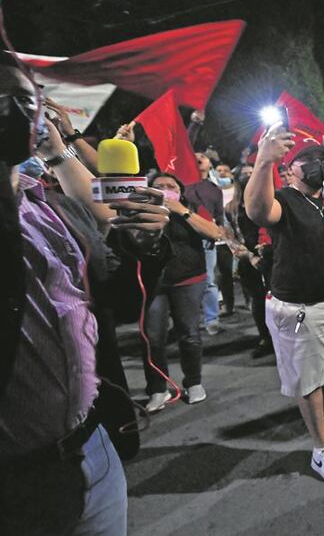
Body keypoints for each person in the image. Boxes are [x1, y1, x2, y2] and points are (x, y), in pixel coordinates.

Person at [0, 53, 170, 536]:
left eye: (28, 99)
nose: (19, 110)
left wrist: (144, 245)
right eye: (4, 100)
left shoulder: (55, 206)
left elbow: (118, 294)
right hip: (17, 481)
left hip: (96, 447)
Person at [245, 122, 324, 484]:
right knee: (310, 383)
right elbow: (258, 211)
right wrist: (264, 160)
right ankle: (322, 449)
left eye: (322, 158)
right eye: (308, 159)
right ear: (290, 169)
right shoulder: (284, 199)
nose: (318, 164)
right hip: (301, 308)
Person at [143, 171, 222, 413]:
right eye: (159, 186)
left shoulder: (192, 208)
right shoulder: (142, 210)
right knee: (153, 337)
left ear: (180, 191)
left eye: (171, 186)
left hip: (188, 279)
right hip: (154, 282)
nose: (165, 190)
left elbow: (215, 232)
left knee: (189, 334)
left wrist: (182, 211)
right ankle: (158, 388)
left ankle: (193, 382)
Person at [226, 162, 274, 358]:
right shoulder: (231, 208)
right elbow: (229, 237)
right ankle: (265, 338)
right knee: (258, 300)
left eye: (251, 172)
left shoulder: (271, 200)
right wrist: (249, 256)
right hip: (248, 259)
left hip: (273, 256)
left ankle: (281, 338)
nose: (248, 176)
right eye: (244, 174)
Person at [189, 150, 226, 335]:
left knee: (209, 280)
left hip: (207, 240)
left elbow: (219, 216)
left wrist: (218, 232)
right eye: (194, 156)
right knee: (187, 281)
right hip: (186, 239)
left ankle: (211, 319)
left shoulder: (214, 189)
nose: (198, 159)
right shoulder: (182, 184)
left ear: (210, 164)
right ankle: (189, 320)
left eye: (202, 157)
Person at [215, 161, 238, 318]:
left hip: (238, 238)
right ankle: (228, 304)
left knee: (243, 271)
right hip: (221, 239)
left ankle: (250, 299)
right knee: (224, 274)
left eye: (225, 170)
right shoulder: (212, 192)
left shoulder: (237, 191)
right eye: (219, 170)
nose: (222, 173)